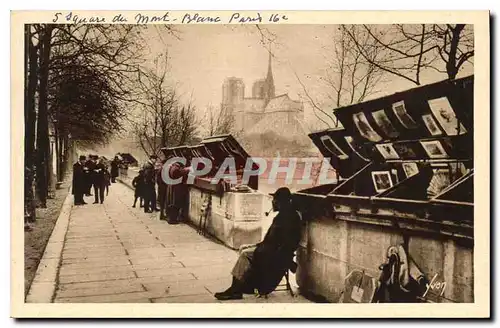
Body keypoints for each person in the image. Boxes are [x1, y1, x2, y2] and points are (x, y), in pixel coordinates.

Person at [214, 187, 302, 300]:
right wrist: (256, 246)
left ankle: (235, 290)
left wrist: (259, 249)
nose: (273, 202)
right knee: (243, 248)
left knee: (245, 254)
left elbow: (285, 243)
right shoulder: (284, 216)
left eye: (275, 200)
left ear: (280, 202)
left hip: (273, 254)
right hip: (269, 249)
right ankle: (240, 285)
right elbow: (272, 240)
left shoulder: (288, 218)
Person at [163, 159, 192, 224]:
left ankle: (172, 218)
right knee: (175, 204)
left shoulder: (173, 167)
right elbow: (180, 172)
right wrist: (188, 169)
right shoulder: (176, 169)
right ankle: (172, 220)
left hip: (173, 187)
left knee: (173, 204)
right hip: (176, 189)